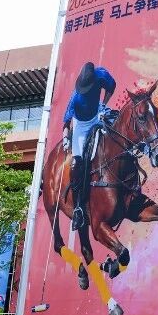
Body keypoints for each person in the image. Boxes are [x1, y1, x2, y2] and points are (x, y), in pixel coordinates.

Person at [62, 61, 117, 230]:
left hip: (97, 115)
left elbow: (111, 87)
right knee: (78, 163)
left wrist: (103, 104)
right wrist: (65, 139)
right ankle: (79, 207)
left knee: (117, 132)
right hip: (81, 126)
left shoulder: (101, 74)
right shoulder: (75, 98)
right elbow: (66, 123)